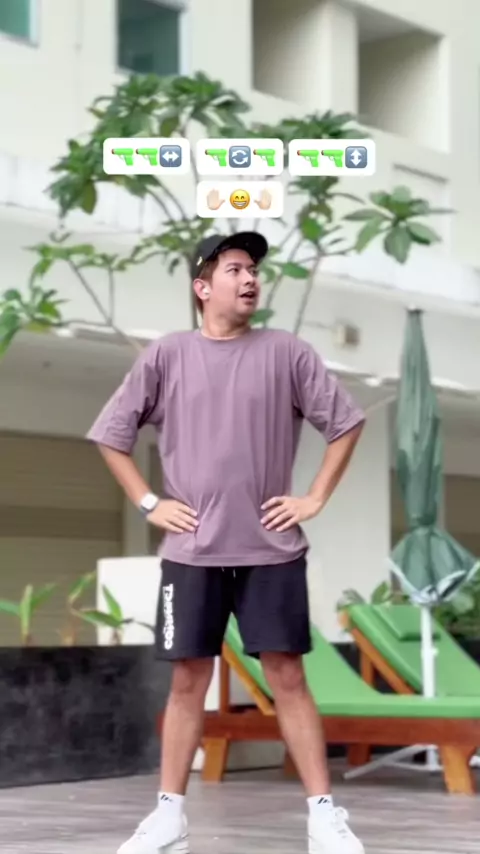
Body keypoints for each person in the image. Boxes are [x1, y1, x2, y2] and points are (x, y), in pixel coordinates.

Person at [87, 231, 367, 854]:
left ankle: (323, 816)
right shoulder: (167, 355)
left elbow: (346, 424)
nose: (250, 279)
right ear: (202, 286)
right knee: (189, 681)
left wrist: (314, 498)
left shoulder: (287, 352)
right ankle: (169, 816)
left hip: (273, 549)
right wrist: (150, 503)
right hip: (192, 552)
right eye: (235, 269)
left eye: (254, 270)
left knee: (287, 676)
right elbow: (111, 435)